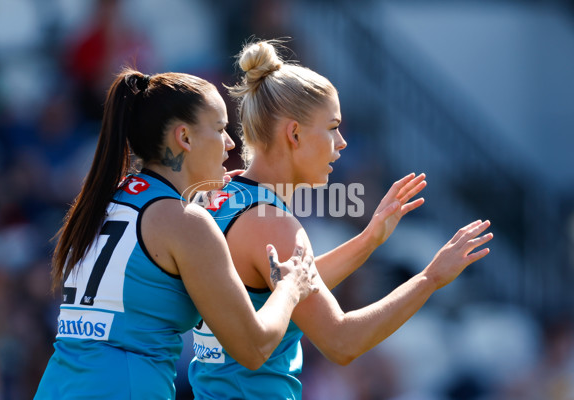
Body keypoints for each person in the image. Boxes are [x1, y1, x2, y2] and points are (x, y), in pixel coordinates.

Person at [188, 40, 494, 399]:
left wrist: (370, 238)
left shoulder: (221, 196)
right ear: (295, 133)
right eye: (333, 127)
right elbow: (341, 342)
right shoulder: (273, 222)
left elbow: (294, 286)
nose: (343, 143)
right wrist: (429, 278)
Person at [34, 67, 319, 399]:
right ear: (184, 138)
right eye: (220, 128)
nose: (230, 143)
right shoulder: (186, 222)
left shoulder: (110, 196)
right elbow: (254, 349)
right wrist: (289, 288)